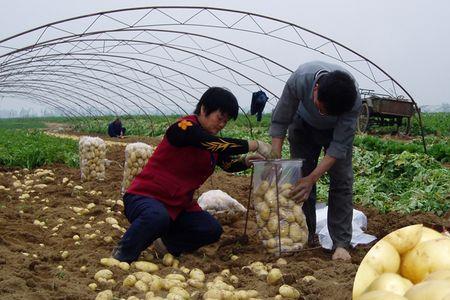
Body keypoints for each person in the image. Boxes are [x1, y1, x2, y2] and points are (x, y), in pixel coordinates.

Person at [113, 87, 273, 263]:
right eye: (220, 118)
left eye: (225, 121)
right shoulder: (183, 128)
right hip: (146, 197)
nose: (221, 124)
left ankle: (166, 245)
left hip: (179, 206)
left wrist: (245, 161)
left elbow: (227, 164)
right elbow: (209, 143)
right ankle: (123, 254)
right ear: (204, 109)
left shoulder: (213, 143)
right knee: (157, 216)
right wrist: (254, 144)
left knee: (211, 229)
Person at [269, 61, 361, 261]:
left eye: (329, 113)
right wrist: (275, 157)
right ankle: (305, 235)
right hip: (302, 125)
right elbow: (281, 119)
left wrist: (313, 178)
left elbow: (338, 148)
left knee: (342, 181)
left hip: (334, 133)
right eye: (322, 108)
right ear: (316, 89)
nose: (324, 114)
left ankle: (341, 243)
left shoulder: (352, 101)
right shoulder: (300, 79)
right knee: (300, 179)